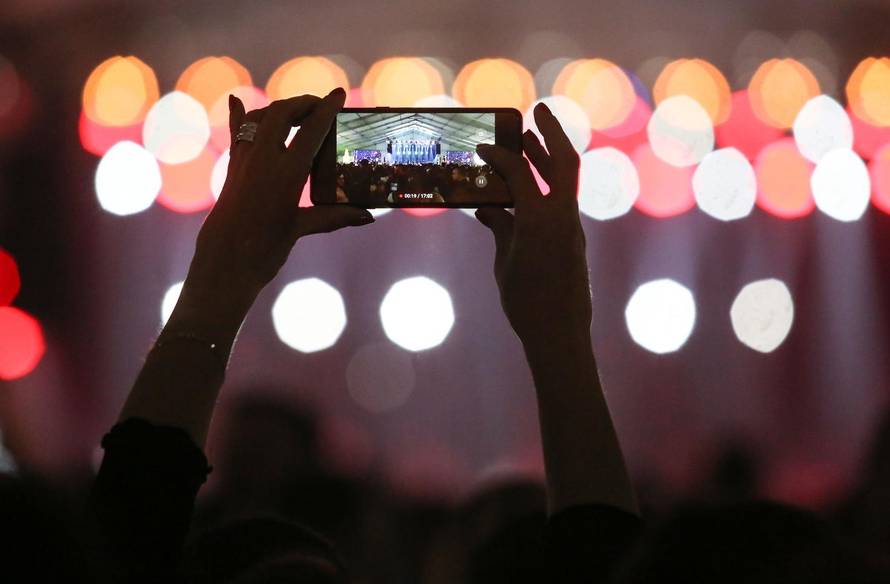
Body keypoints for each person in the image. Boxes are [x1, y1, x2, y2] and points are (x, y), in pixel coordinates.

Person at [88, 92, 640, 582]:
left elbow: (130, 534)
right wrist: (560, 337)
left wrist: (218, 280)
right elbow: (598, 558)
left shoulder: (128, 547)